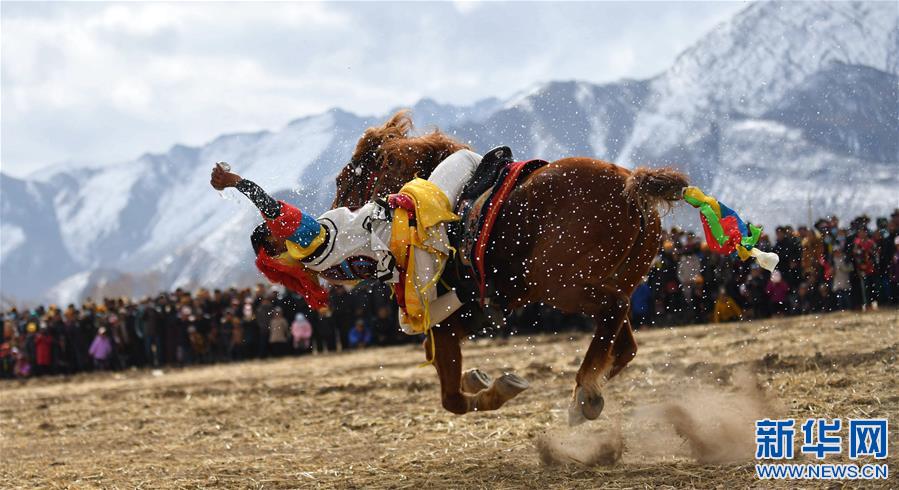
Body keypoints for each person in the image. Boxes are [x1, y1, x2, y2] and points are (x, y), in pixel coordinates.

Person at [210, 149, 483, 336]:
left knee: (412, 323)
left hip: (414, 263)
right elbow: (270, 208)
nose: (276, 227)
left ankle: (467, 291)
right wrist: (237, 182)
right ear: (274, 244)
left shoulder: (319, 270)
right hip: (412, 219)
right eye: (271, 231)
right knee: (467, 158)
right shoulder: (306, 241)